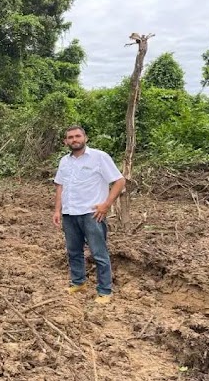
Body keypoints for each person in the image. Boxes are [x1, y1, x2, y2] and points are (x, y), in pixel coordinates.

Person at [52, 126, 126, 304]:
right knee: (73, 251)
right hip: (70, 213)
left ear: (85, 138)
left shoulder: (99, 157)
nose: (74, 139)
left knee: (99, 253)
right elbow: (60, 186)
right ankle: (78, 282)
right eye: (70, 137)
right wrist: (57, 210)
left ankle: (104, 290)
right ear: (66, 141)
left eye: (78, 136)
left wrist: (106, 205)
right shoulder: (64, 161)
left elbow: (119, 181)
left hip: (92, 214)